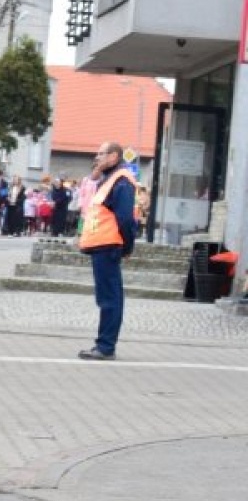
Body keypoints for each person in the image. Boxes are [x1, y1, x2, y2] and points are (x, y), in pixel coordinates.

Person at [77, 142, 138, 361]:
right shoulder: (110, 178)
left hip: (109, 245)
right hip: (104, 244)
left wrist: (127, 246)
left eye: (101, 154)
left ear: (113, 156)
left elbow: (125, 218)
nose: (97, 157)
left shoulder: (120, 180)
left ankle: (105, 346)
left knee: (110, 298)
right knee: (109, 296)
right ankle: (105, 344)